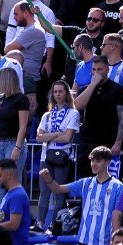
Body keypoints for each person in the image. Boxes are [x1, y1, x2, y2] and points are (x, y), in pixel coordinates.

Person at [34, 81, 81, 233]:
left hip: (63, 156)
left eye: (61, 91)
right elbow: (39, 137)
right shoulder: (47, 115)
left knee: (59, 190)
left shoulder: (73, 113)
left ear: (66, 93)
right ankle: (39, 222)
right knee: (44, 191)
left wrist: (48, 137)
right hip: (46, 156)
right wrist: (55, 134)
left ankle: (55, 224)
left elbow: (68, 138)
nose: (58, 94)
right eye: (55, 92)